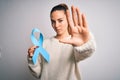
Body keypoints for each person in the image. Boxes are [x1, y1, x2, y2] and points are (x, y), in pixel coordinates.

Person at [27, 3, 96, 80]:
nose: (56, 25)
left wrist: (84, 44)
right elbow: (38, 74)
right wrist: (32, 58)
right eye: (53, 21)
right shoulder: (44, 44)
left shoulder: (74, 43)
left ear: (68, 20)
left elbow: (87, 52)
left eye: (60, 20)